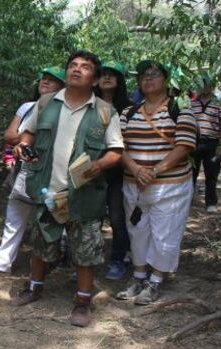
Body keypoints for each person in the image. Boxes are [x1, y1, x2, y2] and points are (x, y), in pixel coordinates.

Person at [11, 51, 124, 328]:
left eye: (85, 67)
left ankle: (82, 303)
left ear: (95, 79)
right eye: (72, 65)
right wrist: (21, 146)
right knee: (41, 244)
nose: (77, 70)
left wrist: (97, 166)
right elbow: (27, 134)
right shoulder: (47, 103)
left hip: (84, 194)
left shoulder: (105, 112)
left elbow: (116, 152)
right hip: (48, 190)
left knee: (85, 252)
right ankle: (34, 288)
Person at [115, 60, 197, 305]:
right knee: (137, 232)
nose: (148, 78)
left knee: (165, 234)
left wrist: (154, 171)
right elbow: (118, 147)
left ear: (165, 79)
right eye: (143, 75)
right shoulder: (128, 112)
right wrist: (137, 169)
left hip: (171, 186)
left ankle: (156, 280)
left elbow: (185, 145)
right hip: (134, 185)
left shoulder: (179, 109)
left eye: (154, 74)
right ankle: (139, 276)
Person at [0, 67, 65, 278]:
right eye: (43, 79)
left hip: (53, 173)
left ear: (62, 86)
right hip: (25, 170)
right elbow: (9, 135)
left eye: (52, 80)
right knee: (14, 217)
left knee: (51, 219)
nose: (45, 82)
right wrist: (32, 135)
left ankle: (48, 263)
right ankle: (2, 264)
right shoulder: (27, 107)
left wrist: (27, 136)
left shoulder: (66, 109)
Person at [95, 61, 133, 280]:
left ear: (119, 80)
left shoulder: (128, 107)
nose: (107, 78)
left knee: (118, 217)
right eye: (103, 74)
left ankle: (118, 260)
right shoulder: (88, 104)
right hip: (92, 169)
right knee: (91, 218)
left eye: (112, 75)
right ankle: (86, 261)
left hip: (119, 171)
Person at [191, 74, 221, 212]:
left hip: (212, 143)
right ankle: (187, 200)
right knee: (191, 173)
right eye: (202, 83)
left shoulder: (219, 104)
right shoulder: (192, 104)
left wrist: (220, 145)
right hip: (194, 143)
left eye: (208, 83)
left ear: (212, 86)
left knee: (211, 174)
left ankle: (211, 202)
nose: (205, 86)